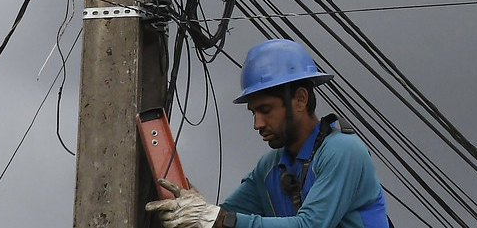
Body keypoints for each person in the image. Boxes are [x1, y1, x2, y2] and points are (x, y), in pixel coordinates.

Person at [147, 40, 392, 228]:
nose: (257, 123)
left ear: (300, 99)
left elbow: (310, 225)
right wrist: (196, 211)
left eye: (265, 110)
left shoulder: (343, 152)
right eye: (253, 112)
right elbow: (223, 217)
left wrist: (217, 218)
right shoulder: (270, 168)